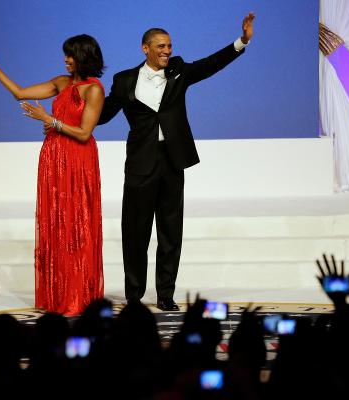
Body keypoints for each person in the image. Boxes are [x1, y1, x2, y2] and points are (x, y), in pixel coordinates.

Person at [98, 13, 255, 311]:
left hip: (172, 161)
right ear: (145, 48)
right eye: (161, 46)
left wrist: (241, 42)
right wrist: (67, 117)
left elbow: (210, 65)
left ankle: (165, 295)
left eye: (169, 46)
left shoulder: (179, 71)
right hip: (140, 164)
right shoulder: (124, 80)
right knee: (135, 232)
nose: (167, 51)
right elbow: (103, 115)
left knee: (170, 231)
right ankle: (134, 296)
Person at [0, 34, 105, 316]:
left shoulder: (94, 90)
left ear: (84, 56)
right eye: (65, 55)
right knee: (56, 224)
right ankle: (57, 294)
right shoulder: (62, 83)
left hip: (77, 160)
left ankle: (79, 295)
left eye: (70, 55)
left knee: (75, 225)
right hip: (53, 158)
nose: (66, 59)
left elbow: (85, 133)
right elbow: (21, 93)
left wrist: (50, 121)